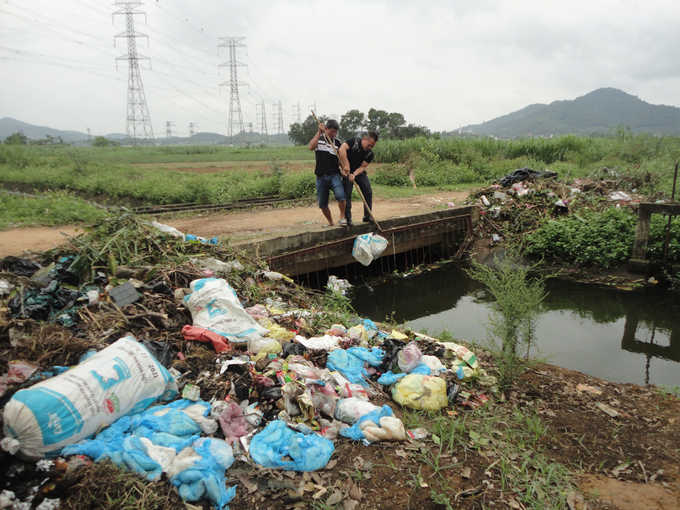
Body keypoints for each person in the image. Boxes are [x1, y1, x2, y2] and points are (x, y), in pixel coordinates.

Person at [309, 119, 348, 227]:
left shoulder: (337, 142)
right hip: (321, 176)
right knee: (322, 203)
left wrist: (344, 169)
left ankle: (342, 218)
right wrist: (319, 132)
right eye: (332, 131)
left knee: (341, 196)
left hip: (334, 175)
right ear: (326, 129)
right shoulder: (319, 139)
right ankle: (330, 222)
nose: (334, 134)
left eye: (336, 132)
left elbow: (340, 159)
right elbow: (311, 147)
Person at [338, 132, 379, 226]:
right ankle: (348, 217)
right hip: (347, 170)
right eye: (369, 145)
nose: (370, 147)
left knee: (368, 191)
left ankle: (367, 216)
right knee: (347, 193)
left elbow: (362, 167)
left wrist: (354, 174)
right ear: (364, 139)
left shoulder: (370, 154)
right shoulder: (354, 141)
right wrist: (346, 166)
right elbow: (342, 149)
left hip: (358, 172)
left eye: (372, 146)